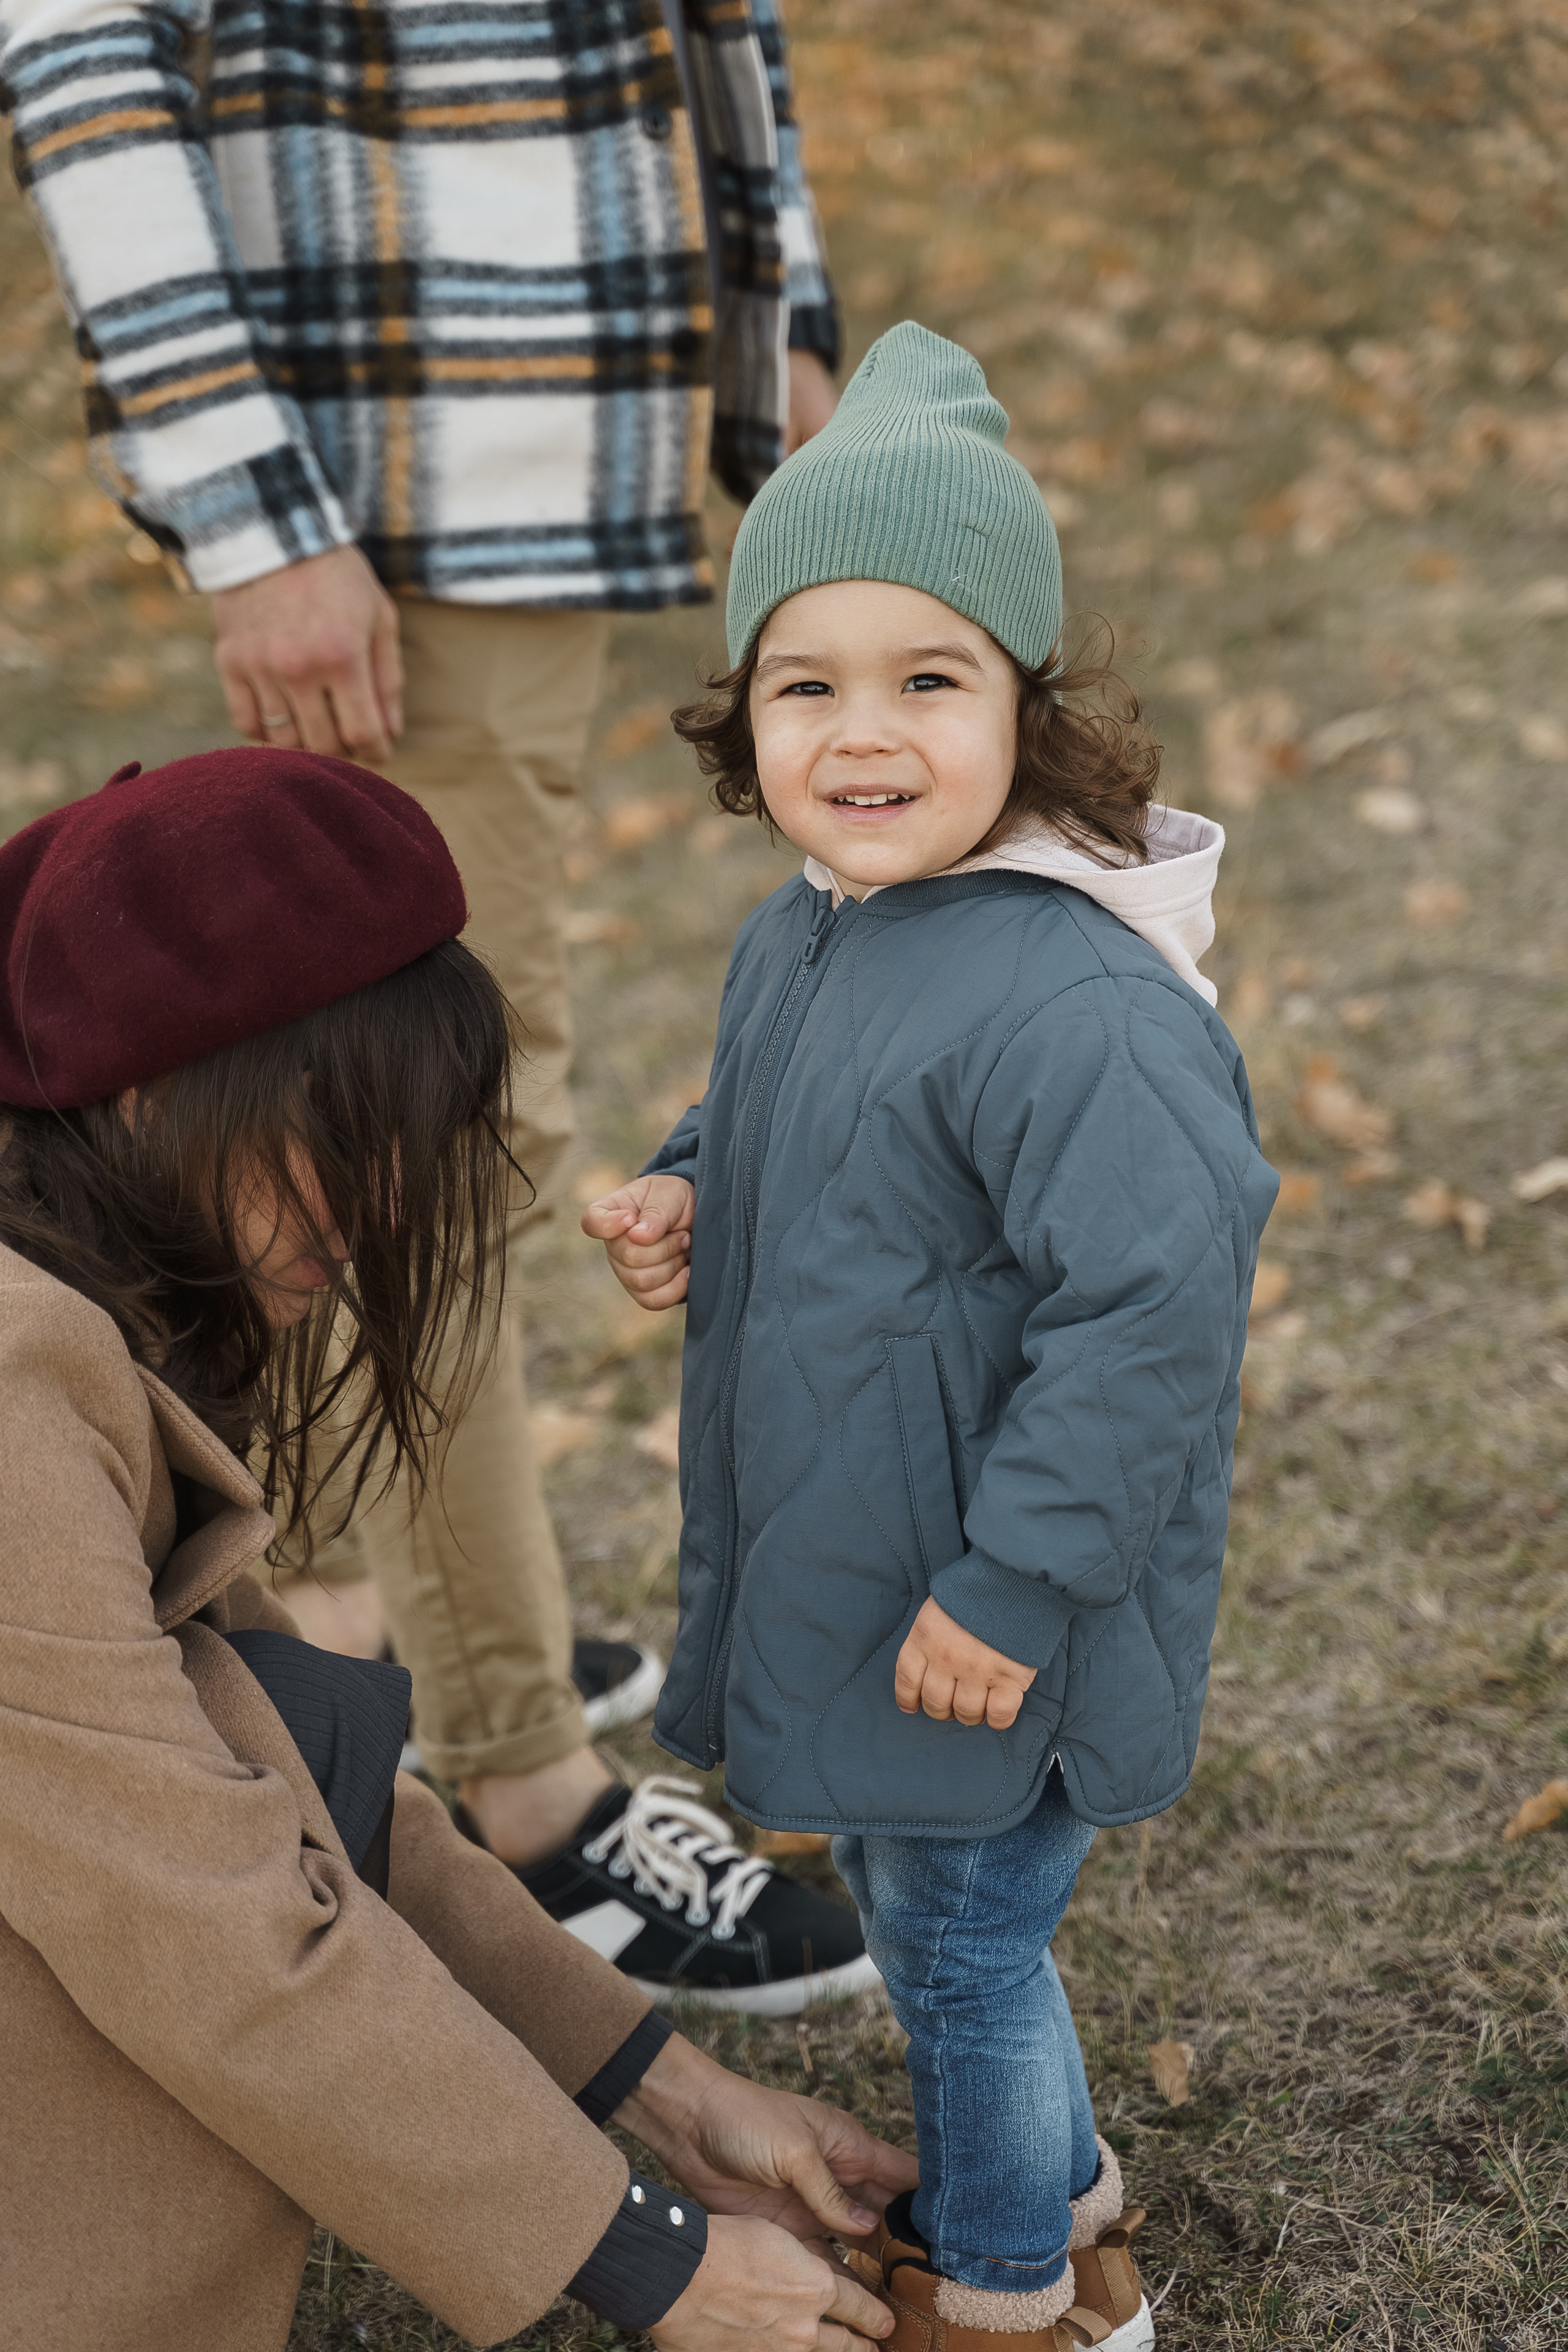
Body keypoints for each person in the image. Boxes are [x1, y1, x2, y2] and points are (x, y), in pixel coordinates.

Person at [0, 0, 860, 2007]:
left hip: (554, 438)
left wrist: (775, 308)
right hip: (389, 457)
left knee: (440, 1127)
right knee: (419, 1146)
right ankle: (517, 1789)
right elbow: (81, 47)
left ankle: (392, 1615)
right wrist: (246, 496)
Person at [0, 745, 914, 2352]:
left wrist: (662, 2094)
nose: (379, 1205)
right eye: (335, 1134)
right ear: (148, 1090)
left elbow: (275, 1756)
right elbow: (204, 1923)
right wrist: (648, 2262)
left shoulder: (83, 1283)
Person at [584, 324, 1280, 2352]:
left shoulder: (1079, 1009)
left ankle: (1016, 2301)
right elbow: (793, 1120)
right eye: (810, 683)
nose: (861, 733)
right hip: (874, 1555)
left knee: (966, 1950)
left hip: (993, 1592)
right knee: (933, 1916)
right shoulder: (815, 923)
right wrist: (691, 1186)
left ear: (1027, 713)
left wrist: (1020, 1582)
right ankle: (1065, 2198)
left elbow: (1154, 1313)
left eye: (928, 680)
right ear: (748, 716)